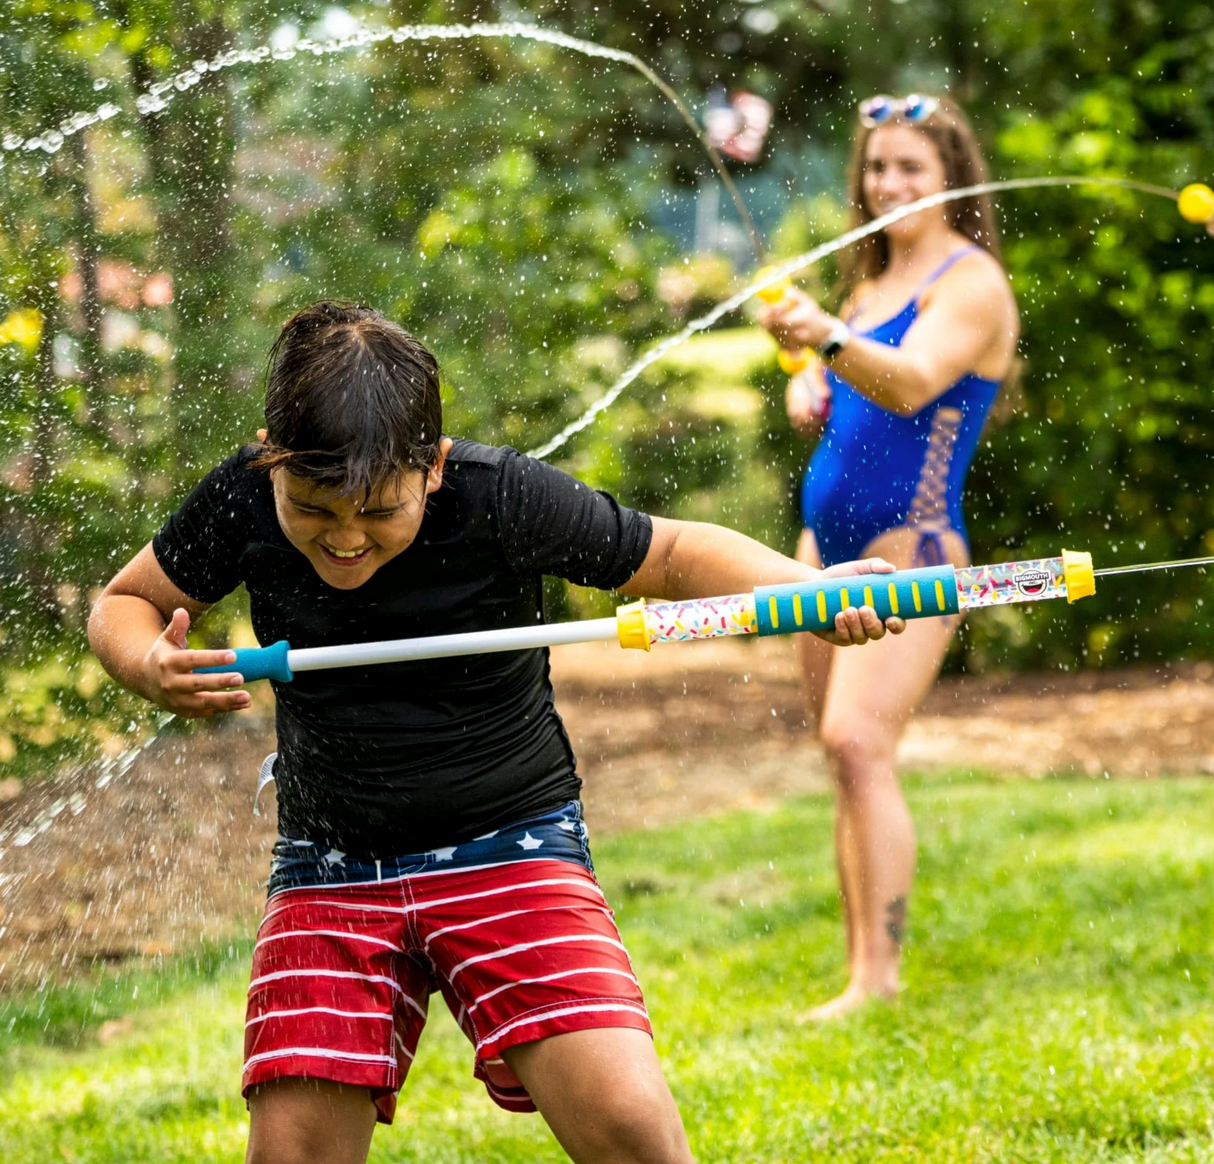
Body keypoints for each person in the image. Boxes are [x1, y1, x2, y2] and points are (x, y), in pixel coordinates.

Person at [87, 301, 903, 1164]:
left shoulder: (500, 495)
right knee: (290, 1154)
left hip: (510, 845)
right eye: (315, 510)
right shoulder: (243, 498)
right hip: (329, 868)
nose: (347, 539)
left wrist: (805, 589)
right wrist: (145, 663)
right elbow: (126, 603)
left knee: (628, 1124)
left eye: (378, 510)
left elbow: (667, 555)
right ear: (271, 456)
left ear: (432, 468)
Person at [759, 94, 1020, 1021]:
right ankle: (858, 969)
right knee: (842, 759)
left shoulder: (970, 280)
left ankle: (880, 981)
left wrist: (822, 338)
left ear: (950, 173)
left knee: (858, 742)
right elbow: (857, 384)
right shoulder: (870, 281)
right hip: (822, 549)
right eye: (878, 167)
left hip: (911, 546)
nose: (890, 184)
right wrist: (809, 380)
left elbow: (909, 384)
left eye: (911, 166)